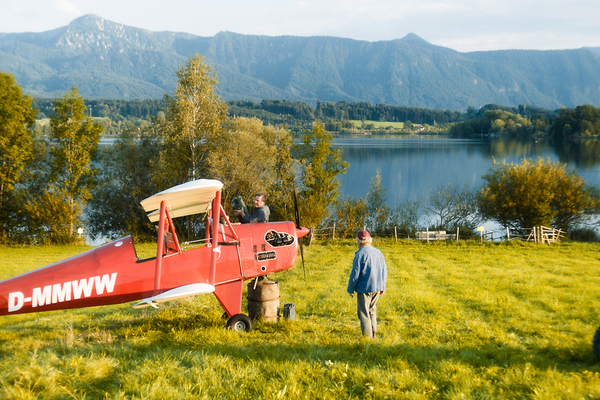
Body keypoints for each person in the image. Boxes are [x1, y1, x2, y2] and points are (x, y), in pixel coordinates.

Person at [347, 230, 387, 338]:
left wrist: (350, 289)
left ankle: (367, 337)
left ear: (358, 241)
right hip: (377, 288)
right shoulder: (379, 252)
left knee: (364, 313)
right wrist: (382, 286)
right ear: (369, 240)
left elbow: (354, 274)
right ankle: (374, 334)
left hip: (364, 288)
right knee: (372, 310)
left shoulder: (360, 254)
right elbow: (384, 270)